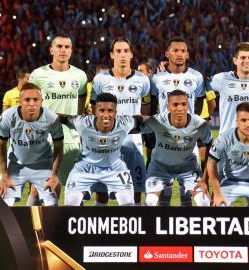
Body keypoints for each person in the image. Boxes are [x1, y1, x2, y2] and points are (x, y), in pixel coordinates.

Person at [29, 33, 87, 204]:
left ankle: (73, 228)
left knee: (73, 186)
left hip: (71, 139)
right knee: (40, 187)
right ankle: (25, 228)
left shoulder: (80, 76)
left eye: (67, 47)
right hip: (44, 138)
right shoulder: (38, 75)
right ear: (51, 50)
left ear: (71, 51)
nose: (63, 50)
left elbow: (80, 109)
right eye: (59, 46)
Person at [91, 37, 150, 205]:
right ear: (112, 55)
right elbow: (94, 109)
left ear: (131, 54)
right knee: (102, 193)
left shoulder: (143, 80)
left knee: (136, 190)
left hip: (133, 142)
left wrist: (141, 129)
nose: (122, 55)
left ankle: (135, 227)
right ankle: (99, 229)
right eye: (118, 51)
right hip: (106, 142)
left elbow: (146, 109)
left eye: (126, 51)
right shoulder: (100, 80)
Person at [150, 37, 209, 206]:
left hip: (188, 139)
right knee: (164, 188)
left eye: (183, 51)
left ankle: (186, 228)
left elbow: (198, 104)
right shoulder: (157, 78)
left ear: (187, 54)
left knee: (187, 189)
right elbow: (154, 105)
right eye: (175, 50)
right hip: (164, 138)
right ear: (167, 53)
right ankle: (163, 227)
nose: (179, 54)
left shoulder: (196, 77)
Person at [63, 93, 138, 206]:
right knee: (71, 203)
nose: (106, 115)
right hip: (84, 167)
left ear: (115, 113)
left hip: (115, 167)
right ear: (95, 112)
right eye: (102, 110)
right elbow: (62, 118)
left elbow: (147, 121)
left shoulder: (125, 123)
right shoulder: (82, 123)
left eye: (110, 111)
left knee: (128, 203)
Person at [141, 90, 212, 207]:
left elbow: (210, 148)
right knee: (150, 201)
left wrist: (204, 179)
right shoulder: (157, 121)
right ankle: (154, 225)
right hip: (160, 167)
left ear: (188, 105)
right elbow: (134, 125)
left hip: (188, 168)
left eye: (184, 104)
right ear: (168, 106)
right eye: (175, 105)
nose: (180, 108)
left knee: (204, 202)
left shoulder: (200, 124)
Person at [0, 83, 63, 206]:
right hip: (15, 167)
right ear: (20, 101)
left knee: (52, 207)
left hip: (44, 166)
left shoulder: (52, 118)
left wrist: (54, 175)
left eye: (36, 100)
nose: (32, 103)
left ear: (41, 101)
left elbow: (59, 147)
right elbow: (0, 145)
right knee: (3, 207)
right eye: (27, 100)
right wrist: (4, 175)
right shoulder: (7, 117)